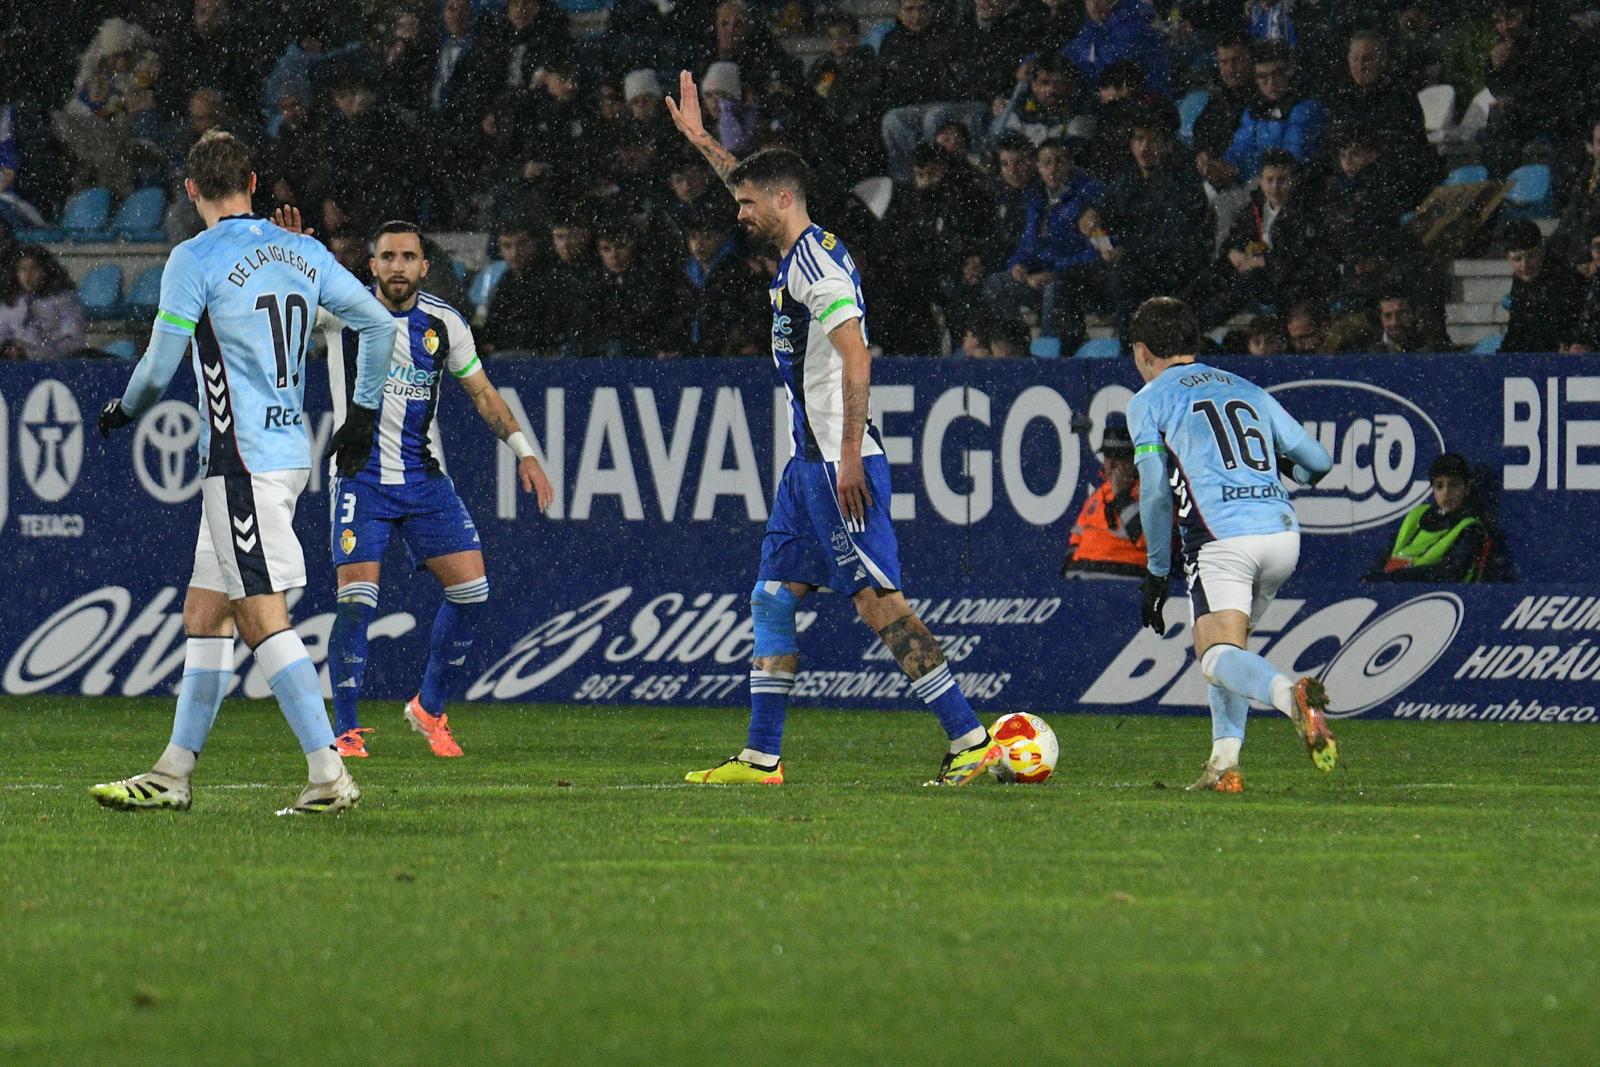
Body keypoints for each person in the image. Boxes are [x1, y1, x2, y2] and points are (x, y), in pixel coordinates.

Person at [667, 70, 1003, 786]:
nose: (739, 213)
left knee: (878, 602)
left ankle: (971, 737)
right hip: (805, 464)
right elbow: (746, 182)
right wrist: (701, 141)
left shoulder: (816, 267)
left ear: (782, 201)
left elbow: (856, 354)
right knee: (770, 595)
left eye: (749, 203)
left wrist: (848, 453)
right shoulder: (802, 244)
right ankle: (762, 758)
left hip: (834, 462)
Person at [90, 129, 398, 816]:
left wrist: (122, 408)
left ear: (191, 189)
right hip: (285, 455)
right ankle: (173, 771)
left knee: (261, 617)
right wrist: (362, 414)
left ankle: (328, 773)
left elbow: (157, 370)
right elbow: (377, 325)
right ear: (255, 184)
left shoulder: (193, 258)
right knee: (206, 612)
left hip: (240, 461)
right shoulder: (303, 250)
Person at [273, 214, 555, 758]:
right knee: (356, 601)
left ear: (425, 266)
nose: (397, 267)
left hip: (422, 477)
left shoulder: (444, 323)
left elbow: (482, 393)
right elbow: (284, 302)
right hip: (361, 478)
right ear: (371, 264)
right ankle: (346, 729)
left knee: (472, 591)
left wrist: (525, 452)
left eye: (407, 257)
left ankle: (429, 708)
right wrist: (295, 254)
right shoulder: (341, 310)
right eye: (387, 257)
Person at [1125, 296, 1336, 793]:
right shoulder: (1246, 387)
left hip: (1221, 539)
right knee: (1230, 651)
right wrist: (1290, 469)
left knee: (1215, 654)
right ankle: (1224, 764)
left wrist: (1157, 571)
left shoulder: (1149, 399)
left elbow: (1154, 491)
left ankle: (1291, 698)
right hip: (1283, 535)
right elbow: (1319, 462)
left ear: (1141, 350)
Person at [1364, 453, 1498, 583]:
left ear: (1467, 489)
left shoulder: (1472, 529)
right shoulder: (1416, 514)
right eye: (1439, 485)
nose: (1446, 492)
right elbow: (1384, 557)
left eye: (1454, 485)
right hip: (1397, 591)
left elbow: (1449, 574)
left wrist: (1397, 576)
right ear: (1433, 489)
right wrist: (1375, 578)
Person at [1060, 413, 1146, 578]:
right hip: (1083, 579)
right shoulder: (1099, 494)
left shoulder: (1150, 491)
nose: (1112, 463)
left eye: (1119, 456)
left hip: (1123, 579)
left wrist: (1121, 496)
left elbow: (1149, 541)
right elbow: (1076, 536)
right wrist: (1070, 565)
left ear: (1133, 459)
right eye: (1108, 455)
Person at [1501, 219, 1585, 354]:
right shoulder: (1521, 281)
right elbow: (1517, 330)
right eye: (1517, 259)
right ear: (1508, 258)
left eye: (1530, 256)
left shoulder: (1563, 279)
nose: (1525, 265)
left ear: (1541, 250)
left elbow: (1561, 332)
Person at [0, 246, 87, 360]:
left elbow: (73, 341)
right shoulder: (10, 304)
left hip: (54, 366)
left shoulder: (64, 301)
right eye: (22, 269)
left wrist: (35, 353)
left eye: (34, 268)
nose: (28, 275)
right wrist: (9, 348)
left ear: (46, 270)